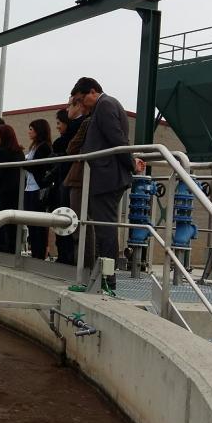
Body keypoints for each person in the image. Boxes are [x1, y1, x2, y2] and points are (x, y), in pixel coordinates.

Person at [70, 77, 135, 289]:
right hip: (105, 175)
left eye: (82, 100)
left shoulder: (105, 105)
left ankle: (108, 279)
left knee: (105, 228)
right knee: (101, 226)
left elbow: (117, 139)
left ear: (92, 92)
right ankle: (102, 276)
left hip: (108, 177)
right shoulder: (103, 105)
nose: (82, 105)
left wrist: (131, 165)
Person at [49, 100, 87, 263]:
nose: (67, 107)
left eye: (70, 104)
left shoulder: (79, 126)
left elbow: (71, 149)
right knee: (65, 217)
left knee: (68, 218)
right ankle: (66, 255)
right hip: (66, 179)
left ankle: (69, 257)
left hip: (70, 179)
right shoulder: (77, 127)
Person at [0, 124, 25, 253]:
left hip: (0, 193)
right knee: (13, 223)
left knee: (0, 221)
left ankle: (2, 247)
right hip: (15, 192)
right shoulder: (18, 151)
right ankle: (13, 248)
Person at [24, 119, 53, 259]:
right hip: (29, 188)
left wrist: (24, 164)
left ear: (38, 130)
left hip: (38, 188)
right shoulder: (34, 146)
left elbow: (38, 167)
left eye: (31, 129)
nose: (29, 131)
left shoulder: (44, 147)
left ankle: (39, 254)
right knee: (30, 223)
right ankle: (35, 252)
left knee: (38, 225)